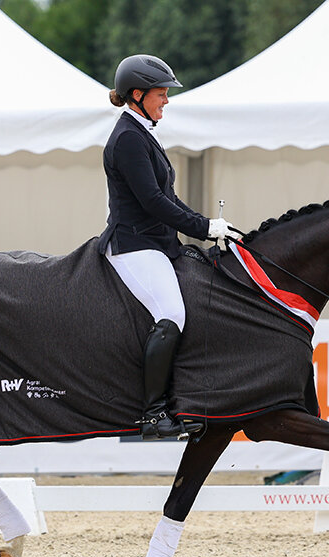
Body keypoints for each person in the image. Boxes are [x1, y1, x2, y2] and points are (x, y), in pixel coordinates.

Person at [99, 54, 239, 440]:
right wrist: (203, 228)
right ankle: (152, 413)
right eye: (161, 94)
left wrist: (209, 224)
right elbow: (152, 203)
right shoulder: (128, 137)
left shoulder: (142, 131)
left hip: (156, 243)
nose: (166, 100)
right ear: (138, 94)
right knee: (171, 313)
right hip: (134, 245)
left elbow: (169, 198)